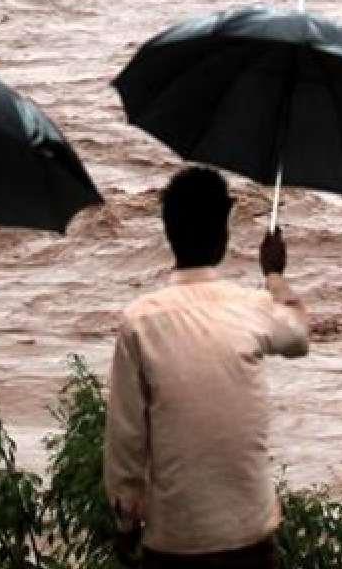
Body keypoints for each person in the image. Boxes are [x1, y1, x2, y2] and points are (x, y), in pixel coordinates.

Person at [104, 167, 310, 569]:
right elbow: (298, 336)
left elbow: (126, 437)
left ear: (168, 233)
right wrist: (275, 275)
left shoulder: (140, 321)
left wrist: (126, 519)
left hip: (176, 540)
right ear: (225, 232)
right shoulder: (251, 306)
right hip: (249, 533)